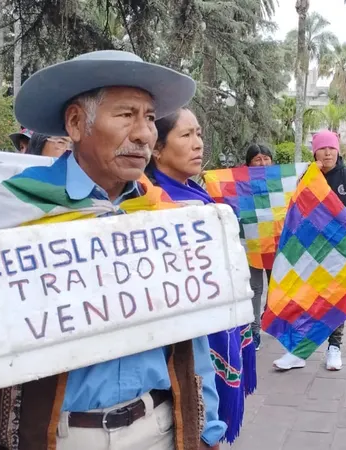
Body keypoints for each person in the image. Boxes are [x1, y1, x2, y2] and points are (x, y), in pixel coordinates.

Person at [0, 50, 223, 449]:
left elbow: (193, 331)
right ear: (77, 123)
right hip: (61, 437)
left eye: (149, 117)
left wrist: (208, 428)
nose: (145, 134)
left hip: (160, 430)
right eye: (126, 115)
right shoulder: (18, 213)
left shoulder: (161, 214)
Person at [144, 108, 256, 443]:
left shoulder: (198, 195)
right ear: (157, 148)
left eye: (199, 133)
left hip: (219, 320)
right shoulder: (155, 206)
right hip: (189, 341)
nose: (198, 144)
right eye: (186, 135)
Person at [273, 130, 346, 372]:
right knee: (306, 300)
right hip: (311, 252)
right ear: (315, 152)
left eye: (332, 148)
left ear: (338, 151)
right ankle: (298, 352)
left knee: (335, 300)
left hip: (341, 252)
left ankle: (334, 348)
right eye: (322, 148)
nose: (327, 153)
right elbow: (296, 210)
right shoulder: (308, 177)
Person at [243, 143, 275, 350]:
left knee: (277, 286)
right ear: (249, 164)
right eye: (257, 159)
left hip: (276, 242)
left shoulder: (281, 183)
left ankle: (270, 318)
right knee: (255, 288)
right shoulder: (241, 185)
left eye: (266, 158)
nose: (262, 162)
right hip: (252, 243)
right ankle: (255, 329)